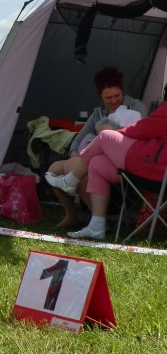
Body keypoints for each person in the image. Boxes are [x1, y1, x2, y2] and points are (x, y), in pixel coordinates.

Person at [46, 101, 167, 240]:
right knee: (97, 164)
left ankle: (70, 181)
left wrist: (118, 134)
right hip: (156, 169)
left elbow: (146, 128)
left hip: (154, 167)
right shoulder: (97, 113)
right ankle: (97, 226)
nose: (113, 100)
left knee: (105, 136)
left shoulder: (137, 105)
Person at [46, 67, 147, 228]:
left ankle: (98, 220)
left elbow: (138, 131)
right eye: (108, 97)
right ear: (100, 96)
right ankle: (71, 215)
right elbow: (79, 139)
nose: (114, 101)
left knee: (73, 165)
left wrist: (108, 128)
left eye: (117, 95)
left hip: (121, 161)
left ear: (122, 91)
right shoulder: (98, 113)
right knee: (54, 169)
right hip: (94, 157)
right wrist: (75, 153)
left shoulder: (135, 107)